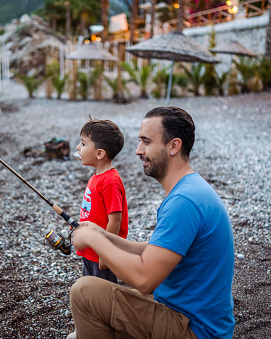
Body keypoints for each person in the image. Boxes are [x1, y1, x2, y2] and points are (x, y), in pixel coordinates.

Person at [69, 107, 235, 339]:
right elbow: (156, 252)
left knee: (83, 292)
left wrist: (95, 240)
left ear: (173, 146)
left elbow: (145, 279)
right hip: (187, 311)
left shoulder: (184, 202)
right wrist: (105, 235)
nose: (138, 151)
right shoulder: (190, 189)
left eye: (146, 142)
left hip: (194, 328)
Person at [74, 118, 129, 283]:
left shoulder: (110, 181)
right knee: (90, 287)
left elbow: (115, 219)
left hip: (101, 251)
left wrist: (106, 251)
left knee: (104, 291)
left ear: (99, 153)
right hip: (91, 249)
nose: (78, 147)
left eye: (83, 144)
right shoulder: (96, 175)